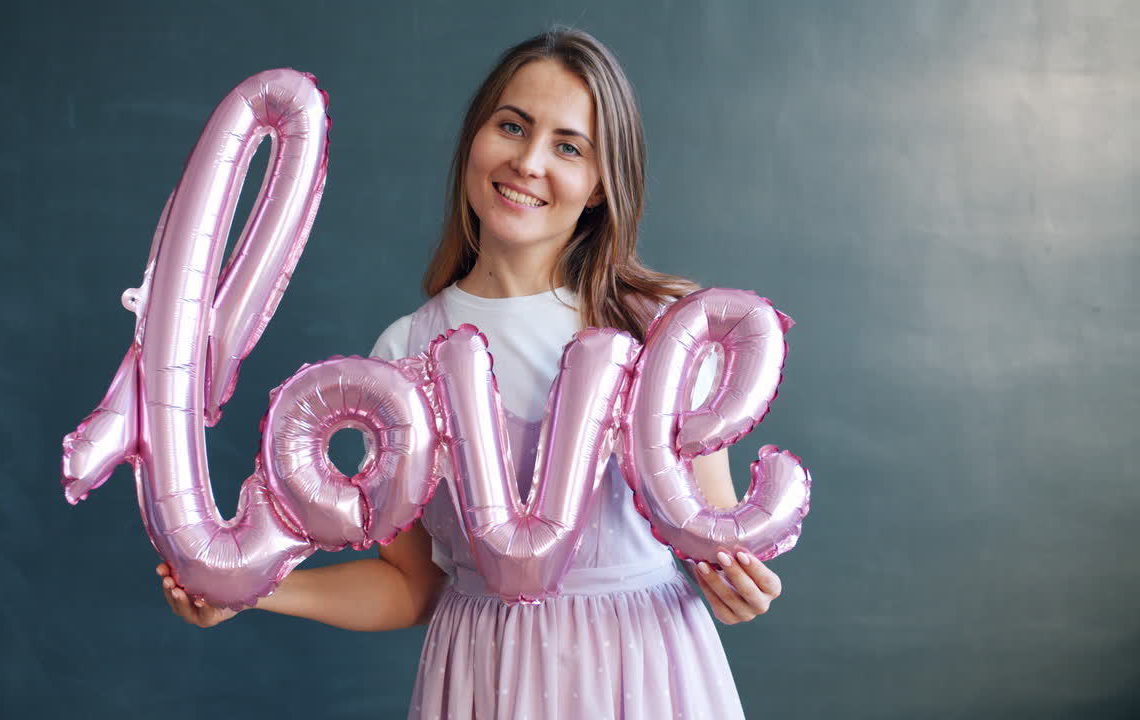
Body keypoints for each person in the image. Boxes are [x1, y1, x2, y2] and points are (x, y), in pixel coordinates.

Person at [158, 28, 783, 719]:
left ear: (602, 184)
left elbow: (713, 535)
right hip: (488, 683)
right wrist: (250, 588)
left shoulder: (666, 330)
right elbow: (411, 588)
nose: (528, 161)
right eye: (511, 126)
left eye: (568, 146)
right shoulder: (405, 353)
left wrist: (736, 586)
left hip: (650, 677)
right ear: (475, 138)